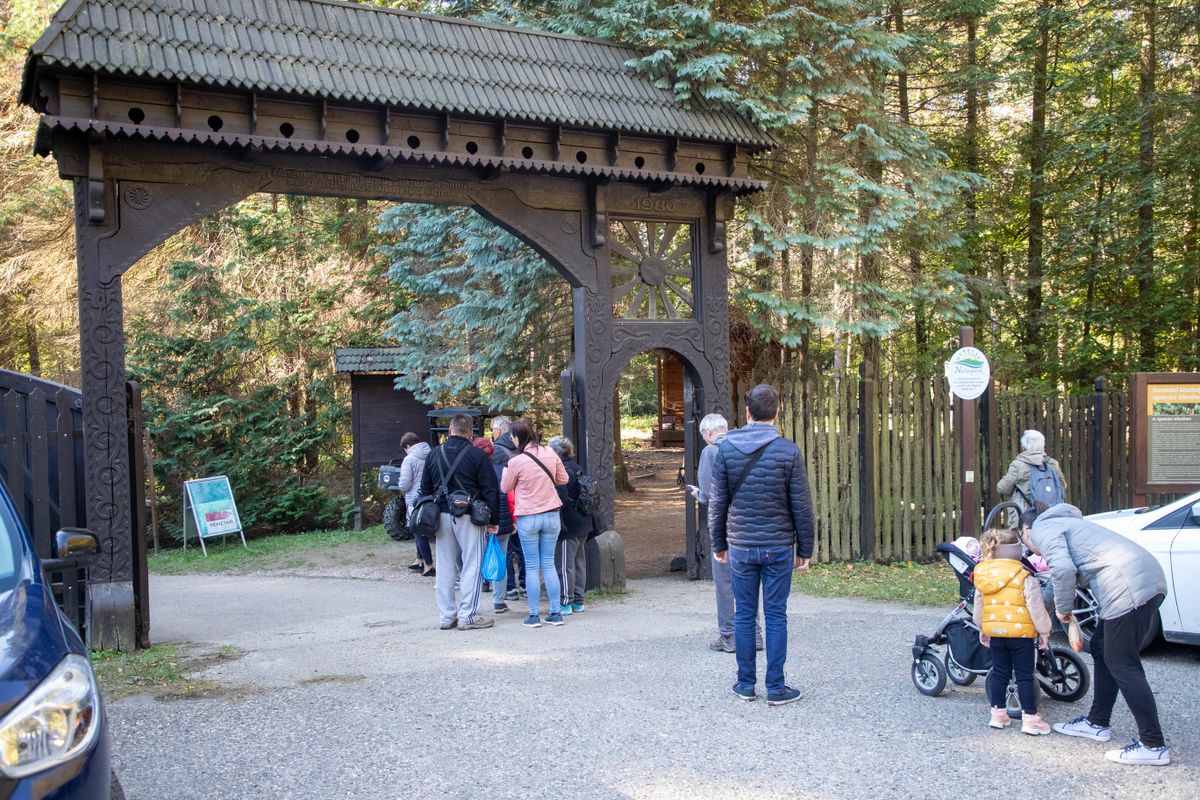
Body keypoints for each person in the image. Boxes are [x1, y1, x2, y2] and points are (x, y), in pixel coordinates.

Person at [1020, 503, 1170, 765]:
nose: (1028, 546)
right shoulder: (1067, 522)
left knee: (1122, 663)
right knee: (1101, 647)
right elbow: (1060, 578)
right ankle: (1097, 722)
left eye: (1023, 539)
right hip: (1148, 578)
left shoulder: (1042, 527)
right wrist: (1041, 608)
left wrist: (1063, 612)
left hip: (1127, 587)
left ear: (1026, 530)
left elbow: (1063, 570)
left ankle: (1153, 744)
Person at [708, 384, 814, 706]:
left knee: (744, 615)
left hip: (740, 545)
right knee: (776, 615)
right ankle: (777, 687)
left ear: (747, 412)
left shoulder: (725, 449)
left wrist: (718, 542)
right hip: (778, 546)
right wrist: (805, 549)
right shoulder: (788, 451)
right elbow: (802, 506)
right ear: (777, 412)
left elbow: (717, 502)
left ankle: (745, 684)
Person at [687, 413, 762, 654]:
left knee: (725, 582)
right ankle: (756, 634)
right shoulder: (746, 447)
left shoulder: (711, 452)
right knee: (748, 581)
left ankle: (729, 635)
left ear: (708, 434)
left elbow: (710, 495)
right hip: (750, 522)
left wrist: (697, 493)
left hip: (724, 525)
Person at [419, 413, 500, 631]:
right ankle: (468, 615)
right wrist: (494, 519)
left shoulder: (434, 454)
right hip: (470, 516)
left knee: (445, 566)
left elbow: (425, 489)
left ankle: (446, 616)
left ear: (449, 431)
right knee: (472, 565)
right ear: (471, 432)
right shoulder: (477, 455)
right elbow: (490, 489)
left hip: (442, 516)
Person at [972, 527, 1052, 735]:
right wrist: (1044, 631)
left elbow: (979, 605)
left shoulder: (983, 575)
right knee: (1025, 675)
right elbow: (1036, 607)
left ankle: (998, 714)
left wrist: (983, 627)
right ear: (1016, 552)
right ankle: (1030, 718)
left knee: (999, 672)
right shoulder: (1024, 576)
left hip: (996, 633)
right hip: (1021, 636)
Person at [500, 417, 568, 628]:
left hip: (528, 516)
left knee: (531, 566)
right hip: (551, 514)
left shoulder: (516, 461)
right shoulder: (550, 453)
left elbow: (505, 488)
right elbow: (563, 479)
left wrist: (509, 475)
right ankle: (555, 612)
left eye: (512, 436)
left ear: (518, 437)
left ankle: (533, 615)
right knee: (548, 564)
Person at [548, 435, 594, 615]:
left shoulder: (562, 471)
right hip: (584, 521)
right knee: (579, 561)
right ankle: (578, 600)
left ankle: (565, 601)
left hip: (569, 524)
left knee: (565, 563)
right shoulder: (577, 467)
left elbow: (561, 498)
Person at [491, 416, 525, 602]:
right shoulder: (522, 447)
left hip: (505, 504)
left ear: (498, 431)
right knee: (522, 548)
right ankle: (526, 585)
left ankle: (510, 589)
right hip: (524, 503)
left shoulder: (496, 450)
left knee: (506, 550)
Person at [997, 430, 1066, 514]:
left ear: (1024, 446)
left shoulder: (1018, 465)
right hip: (1051, 513)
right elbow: (1063, 486)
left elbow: (1003, 489)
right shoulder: (1052, 463)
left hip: (1025, 515)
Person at [397, 432, 433, 576]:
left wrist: (399, 484)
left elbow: (405, 484)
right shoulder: (431, 454)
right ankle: (419, 560)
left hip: (414, 499)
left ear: (407, 446)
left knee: (418, 531)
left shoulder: (409, 459)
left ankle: (429, 565)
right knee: (419, 529)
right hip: (428, 497)